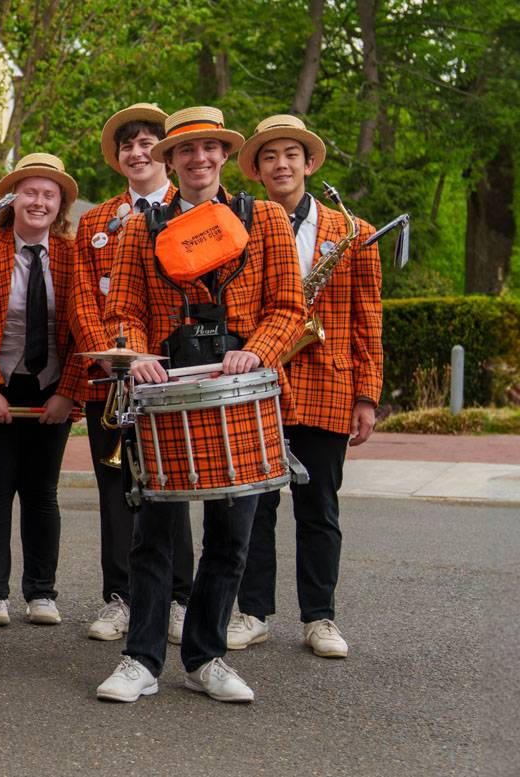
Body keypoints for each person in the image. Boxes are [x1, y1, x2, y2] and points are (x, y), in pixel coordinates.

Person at [96, 106, 305, 704]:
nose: (198, 160)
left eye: (209, 149)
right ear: (170, 161)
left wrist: (257, 351)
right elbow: (123, 312)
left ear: (223, 155)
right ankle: (140, 660)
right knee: (154, 533)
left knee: (232, 534)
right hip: (166, 386)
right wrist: (134, 354)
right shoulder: (142, 225)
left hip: (239, 388)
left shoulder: (262, 217)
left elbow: (289, 307)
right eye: (185, 151)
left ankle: (207, 656)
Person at [229, 114, 382, 659]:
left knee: (318, 507)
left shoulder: (354, 232)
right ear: (257, 170)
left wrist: (367, 394)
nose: (281, 164)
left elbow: (369, 318)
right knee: (256, 506)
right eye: (269, 157)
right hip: (262, 380)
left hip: (327, 384)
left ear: (309, 163)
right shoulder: (240, 224)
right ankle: (253, 612)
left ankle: (321, 618)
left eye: (290, 154)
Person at [68, 104, 196, 643]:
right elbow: (80, 300)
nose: (137, 153)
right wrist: (109, 356)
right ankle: (121, 597)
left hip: (169, 375)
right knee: (116, 488)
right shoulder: (96, 220)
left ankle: (179, 598)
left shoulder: (190, 209)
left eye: (148, 143)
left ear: (164, 153)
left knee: (173, 486)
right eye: (128, 146)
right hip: (111, 378)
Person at [0, 154, 81, 628]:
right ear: (12, 200)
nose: (39, 201)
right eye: (30, 192)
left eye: (48, 194)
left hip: (51, 385)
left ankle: (41, 593)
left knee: (42, 493)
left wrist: (68, 392)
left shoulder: (74, 254)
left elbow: (82, 328)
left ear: (60, 205)